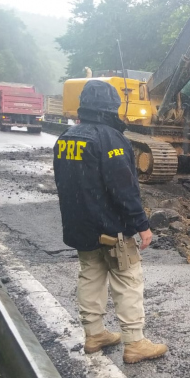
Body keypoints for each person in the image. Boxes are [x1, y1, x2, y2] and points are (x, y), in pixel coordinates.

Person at [52, 80, 167, 363]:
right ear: (110, 107)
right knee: (128, 280)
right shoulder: (111, 139)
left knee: (90, 275)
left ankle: (94, 334)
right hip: (112, 230)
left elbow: (64, 184)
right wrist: (142, 225)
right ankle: (135, 343)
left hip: (81, 226)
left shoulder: (66, 137)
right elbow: (123, 189)